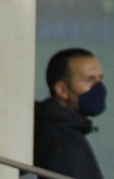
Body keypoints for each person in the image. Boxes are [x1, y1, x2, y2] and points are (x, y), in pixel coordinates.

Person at [34, 48, 107, 179]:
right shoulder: (61, 138)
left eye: (100, 79)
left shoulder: (57, 127)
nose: (99, 87)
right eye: (90, 79)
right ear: (62, 90)